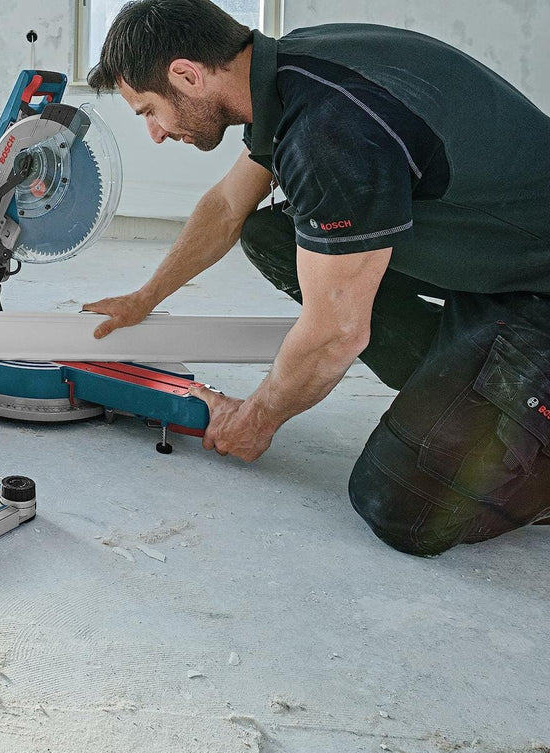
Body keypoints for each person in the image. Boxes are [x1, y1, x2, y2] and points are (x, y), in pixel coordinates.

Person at [82, 0, 550, 555]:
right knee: (270, 234)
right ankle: (466, 387)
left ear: (186, 74)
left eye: (149, 111)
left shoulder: (328, 129)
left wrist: (256, 418)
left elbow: (335, 333)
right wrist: (143, 298)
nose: (156, 133)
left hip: (534, 287)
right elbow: (228, 206)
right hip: (495, 254)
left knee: (400, 505)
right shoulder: (289, 71)